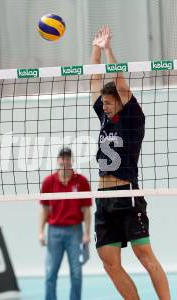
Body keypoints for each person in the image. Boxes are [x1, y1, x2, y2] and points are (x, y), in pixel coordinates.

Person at [90, 26, 170, 299]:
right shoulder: (104, 117)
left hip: (127, 194)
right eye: (105, 102)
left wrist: (109, 49)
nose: (106, 105)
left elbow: (121, 84)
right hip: (103, 196)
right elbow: (93, 80)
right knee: (109, 261)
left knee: (144, 255)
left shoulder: (133, 118)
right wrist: (96, 49)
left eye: (111, 102)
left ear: (121, 102)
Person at [38, 147, 92, 300]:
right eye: (62, 158)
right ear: (58, 160)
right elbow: (45, 209)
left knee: (76, 272)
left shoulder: (81, 181)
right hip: (54, 231)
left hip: (75, 232)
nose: (65, 161)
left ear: (72, 160)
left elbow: (86, 210)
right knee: (50, 273)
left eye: (68, 158)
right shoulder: (49, 182)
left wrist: (87, 233)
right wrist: (41, 232)